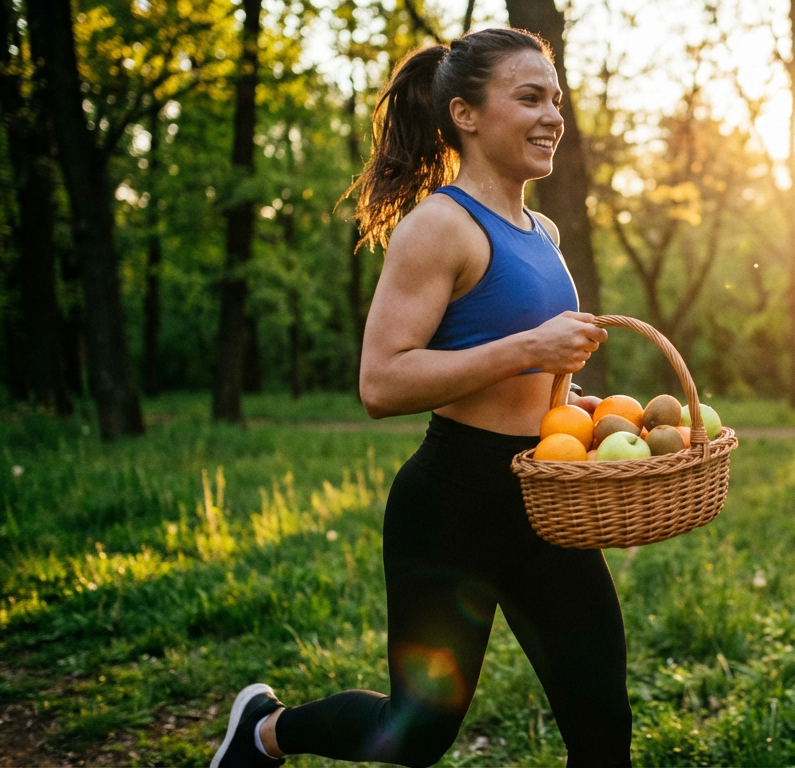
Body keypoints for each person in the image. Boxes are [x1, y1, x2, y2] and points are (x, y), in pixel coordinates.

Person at [208, 28, 630, 768]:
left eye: (555, 99)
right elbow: (382, 382)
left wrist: (587, 412)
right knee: (417, 733)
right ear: (465, 114)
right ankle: (265, 730)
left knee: (601, 721)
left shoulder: (544, 229)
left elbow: (528, 377)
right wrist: (528, 350)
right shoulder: (439, 226)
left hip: (545, 499)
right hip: (453, 506)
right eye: (529, 97)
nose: (552, 116)